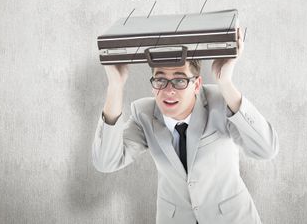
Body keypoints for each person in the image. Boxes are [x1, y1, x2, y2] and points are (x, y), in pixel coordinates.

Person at [92, 28, 278, 224]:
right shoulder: (144, 114)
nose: (168, 90)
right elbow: (106, 162)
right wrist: (115, 85)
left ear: (197, 85)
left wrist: (226, 83)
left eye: (180, 80)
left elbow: (266, 149)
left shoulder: (221, 102)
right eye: (160, 79)